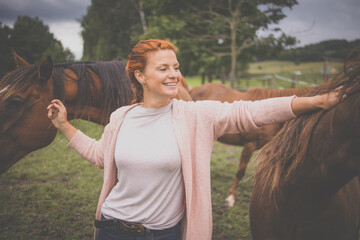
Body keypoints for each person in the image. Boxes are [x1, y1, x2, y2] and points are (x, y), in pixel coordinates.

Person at [47, 39, 342, 240]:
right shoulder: (121, 117)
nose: (174, 75)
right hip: (112, 228)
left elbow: (254, 111)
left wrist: (315, 101)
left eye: (176, 67)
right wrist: (64, 126)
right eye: (163, 69)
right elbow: (100, 155)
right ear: (140, 76)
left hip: (164, 234)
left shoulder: (196, 116)